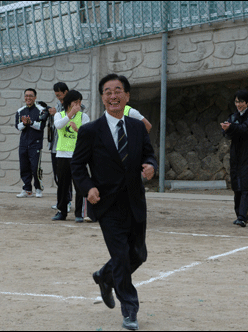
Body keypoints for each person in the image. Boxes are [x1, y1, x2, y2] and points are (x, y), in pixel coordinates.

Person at [71, 74, 157, 330]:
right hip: (107, 205)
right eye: (107, 92)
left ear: (127, 96)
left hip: (134, 201)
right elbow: (77, 165)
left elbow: (149, 155)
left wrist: (150, 166)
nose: (113, 96)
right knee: (120, 257)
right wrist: (88, 188)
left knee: (138, 255)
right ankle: (130, 309)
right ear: (102, 98)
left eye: (118, 91)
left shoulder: (137, 127)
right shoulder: (90, 130)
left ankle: (104, 276)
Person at [220, 89, 248, 227]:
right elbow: (227, 132)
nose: (238, 104)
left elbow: (246, 129)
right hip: (236, 155)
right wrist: (227, 128)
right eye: (237, 101)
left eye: (241, 102)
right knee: (237, 186)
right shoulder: (233, 116)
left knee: (247, 186)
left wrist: (231, 128)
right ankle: (240, 214)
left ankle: (243, 216)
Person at [51, 90, 91, 222]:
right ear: (68, 103)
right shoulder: (59, 115)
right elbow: (58, 125)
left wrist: (77, 130)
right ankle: (61, 211)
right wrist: (70, 115)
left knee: (79, 185)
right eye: (75, 102)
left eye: (80, 102)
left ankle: (79, 213)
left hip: (77, 156)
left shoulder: (83, 117)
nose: (78, 105)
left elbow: (88, 136)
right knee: (63, 185)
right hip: (62, 155)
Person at [15, 88, 48, 198]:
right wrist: (24, 124)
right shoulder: (20, 111)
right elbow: (18, 127)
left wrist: (31, 123)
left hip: (36, 143)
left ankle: (38, 188)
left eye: (30, 96)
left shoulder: (41, 110)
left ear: (35, 97)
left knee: (35, 167)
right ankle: (27, 189)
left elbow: (41, 126)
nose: (28, 98)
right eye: (26, 96)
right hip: (24, 143)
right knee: (24, 166)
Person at [46, 82, 72, 213]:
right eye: (56, 96)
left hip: (67, 147)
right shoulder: (59, 105)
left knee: (65, 176)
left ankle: (67, 201)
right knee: (58, 176)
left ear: (66, 92)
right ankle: (61, 201)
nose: (59, 98)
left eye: (60, 95)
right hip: (55, 145)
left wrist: (58, 113)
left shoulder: (72, 104)